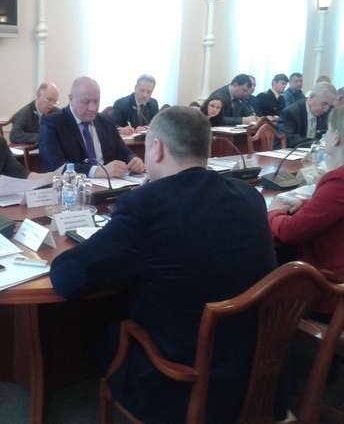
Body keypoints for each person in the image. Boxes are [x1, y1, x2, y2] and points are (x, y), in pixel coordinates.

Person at [49, 106, 278, 423]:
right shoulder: (249, 195)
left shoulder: (146, 205)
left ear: (155, 148)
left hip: (180, 379)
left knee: (97, 321)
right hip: (255, 367)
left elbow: (68, 278)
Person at [268, 107, 344, 314]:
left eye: (328, 130)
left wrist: (274, 212)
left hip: (327, 289)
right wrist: (309, 206)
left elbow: (290, 232)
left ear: (336, 137)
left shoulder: (338, 180)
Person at [38, 76, 145, 177]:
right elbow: (54, 166)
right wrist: (96, 171)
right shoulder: (52, 123)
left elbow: (124, 152)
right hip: (74, 185)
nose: (92, 108)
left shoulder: (106, 121)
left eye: (96, 101)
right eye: (86, 102)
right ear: (71, 99)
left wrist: (134, 160)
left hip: (111, 184)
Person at [278, 82, 337, 147]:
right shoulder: (290, 113)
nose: (326, 109)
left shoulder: (326, 114)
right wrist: (316, 143)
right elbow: (289, 140)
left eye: (329, 106)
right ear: (311, 97)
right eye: (324, 104)